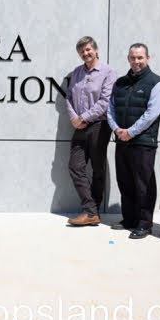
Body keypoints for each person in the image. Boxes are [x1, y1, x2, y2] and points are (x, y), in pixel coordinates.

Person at [107, 43, 160, 239]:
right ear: (128, 58)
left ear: (148, 58)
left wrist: (131, 132)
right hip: (122, 140)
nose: (136, 61)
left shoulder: (156, 83)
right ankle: (129, 219)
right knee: (125, 181)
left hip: (143, 141)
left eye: (140, 58)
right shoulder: (120, 83)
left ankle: (144, 224)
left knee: (143, 184)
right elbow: (111, 109)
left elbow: (151, 114)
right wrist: (116, 128)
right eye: (133, 58)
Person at [66, 36, 116, 226]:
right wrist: (74, 118)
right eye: (82, 51)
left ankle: (91, 211)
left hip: (99, 125)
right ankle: (91, 210)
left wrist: (83, 117)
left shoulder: (108, 72)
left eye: (88, 50)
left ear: (95, 49)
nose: (85, 54)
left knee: (97, 169)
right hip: (79, 126)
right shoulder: (77, 73)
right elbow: (69, 97)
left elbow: (105, 101)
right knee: (75, 166)